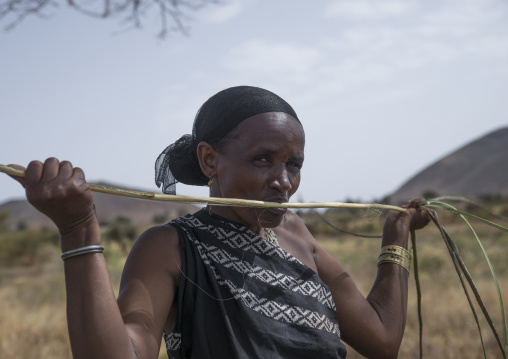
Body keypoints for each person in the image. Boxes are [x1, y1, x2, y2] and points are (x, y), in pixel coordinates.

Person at [9, 86, 429, 359]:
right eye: (262, 159)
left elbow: (381, 340)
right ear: (211, 160)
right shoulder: (169, 247)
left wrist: (396, 238)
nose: (283, 182)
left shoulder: (296, 235)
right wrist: (79, 229)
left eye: (294, 165)